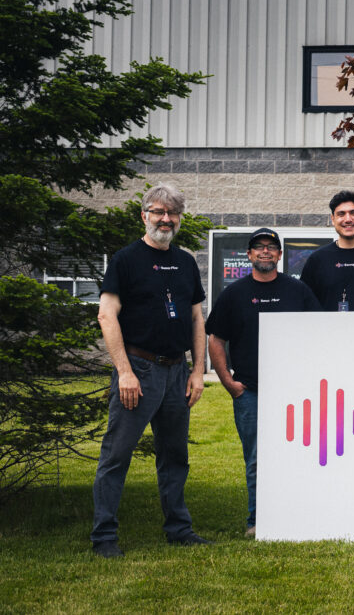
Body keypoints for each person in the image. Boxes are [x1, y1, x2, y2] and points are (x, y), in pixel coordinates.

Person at [91, 184, 210, 558]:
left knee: (174, 455)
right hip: (138, 369)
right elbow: (106, 315)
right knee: (116, 455)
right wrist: (124, 372)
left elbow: (195, 317)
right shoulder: (126, 260)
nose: (166, 219)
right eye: (158, 211)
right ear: (145, 215)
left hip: (177, 371)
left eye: (173, 213)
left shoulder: (186, 261)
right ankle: (104, 537)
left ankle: (179, 529)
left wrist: (196, 371)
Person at [206, 228, 321, 537]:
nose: (266, 251)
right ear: (250, 254)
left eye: (272, 247)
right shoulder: (234, 293)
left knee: (300, 454)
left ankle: (299, 516)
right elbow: (216, 340)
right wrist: (229, 382)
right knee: (257, 459)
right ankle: (257, 522)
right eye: (259, 247)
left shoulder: (299, 291)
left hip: (294, 393)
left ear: (280, 255)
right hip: (251, 392)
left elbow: (318, 335)